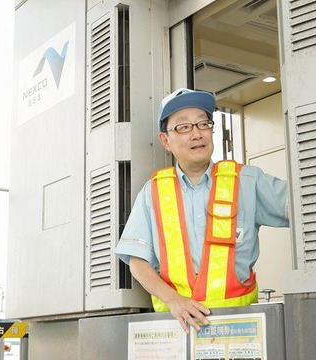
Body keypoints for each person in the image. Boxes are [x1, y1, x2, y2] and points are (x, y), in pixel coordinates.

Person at [115, 88, 289, 333]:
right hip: (175, 331)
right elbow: (137, 262)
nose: (196, 134)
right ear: (165, 140)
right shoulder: (152, 192)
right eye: (183, 127)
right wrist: (174, 301)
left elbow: (306, 205)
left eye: (203, 123)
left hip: (241, 332)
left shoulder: (248, 181)